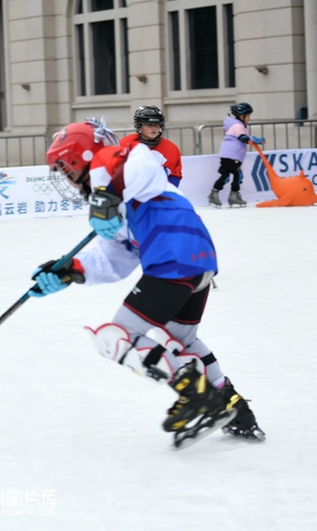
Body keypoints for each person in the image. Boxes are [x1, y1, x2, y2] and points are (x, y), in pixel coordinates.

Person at [30, 118, 264, 447]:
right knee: (183, 339)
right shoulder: (119, 196)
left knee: (117, 336)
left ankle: (198, 398)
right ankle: (233, 406)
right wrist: (71, 269)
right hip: (198, 262)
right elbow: (115, 258)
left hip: (173, 259)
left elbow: (137, 162)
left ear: (80, 158)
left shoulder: (120, 161)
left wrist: (105, 195)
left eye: (66, 169)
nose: (68, 180)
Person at [208, 102, 265, 208]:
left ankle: (214, 193)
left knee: (225, 175)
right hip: (232, 156)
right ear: (241, 116)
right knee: (237, 174)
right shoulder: (237, 126)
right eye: (248, 116)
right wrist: (255, 139)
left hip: (228, 155)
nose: (249, 119)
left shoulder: (236, 125)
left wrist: (252, 139)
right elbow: (243, 138)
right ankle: (233, 196)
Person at [119, 105, 183, 187]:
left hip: (158, 193)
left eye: (156, 125)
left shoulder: (171, 149)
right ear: (139, 127)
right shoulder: (125, 144)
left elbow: (174, 175)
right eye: (149, 125)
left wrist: (166, 194)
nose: (153, 128)